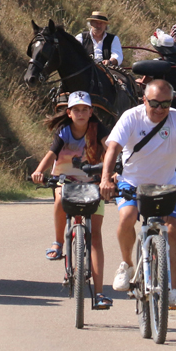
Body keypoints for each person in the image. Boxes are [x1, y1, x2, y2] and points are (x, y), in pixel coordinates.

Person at [100, 80, 176, 309]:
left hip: (164, 186)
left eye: (165, 104)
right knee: (127, 218)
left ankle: (174, 290)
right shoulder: (131, 117)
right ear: (144, 100)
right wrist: (106, 178)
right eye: (155, 103)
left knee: (172, 230)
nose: (160, 109)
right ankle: (127, 264)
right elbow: (113, 149)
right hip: (132, 183)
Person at [31, 92, 113, 309]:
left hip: (93, 184)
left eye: (85, 109)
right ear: (69, 113)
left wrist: (113, 173)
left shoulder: (98, 130)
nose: (81, 113)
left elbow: (111, 149)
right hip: (66, 181)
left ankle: (100, 293)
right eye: (76, 109)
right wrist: (39, 171)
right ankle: (58, 243)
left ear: (91, 112)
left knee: (95, 237)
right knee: (59, 200)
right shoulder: (64, 131)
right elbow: (51, 154)